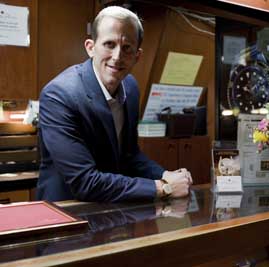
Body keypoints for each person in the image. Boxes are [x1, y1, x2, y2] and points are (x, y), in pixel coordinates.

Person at [36, 6, 192, 202]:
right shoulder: (59, 95)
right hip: (65, 212)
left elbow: (130, 154)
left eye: (127, 48)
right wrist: (163, 187)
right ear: (90, 47)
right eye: (109, 44)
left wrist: (164, 174)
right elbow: (85, 182)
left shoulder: (130, 86)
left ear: (137, 56)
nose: (117, 57)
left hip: (111, 207)